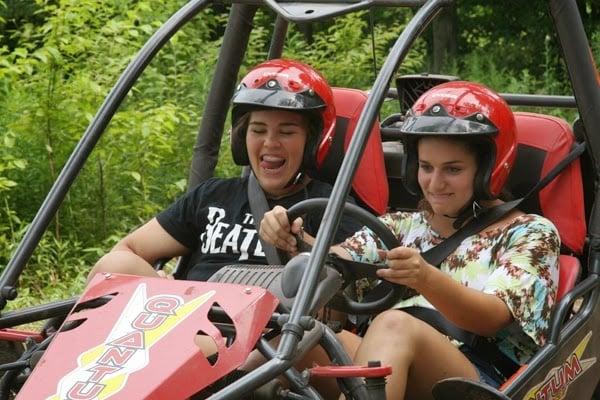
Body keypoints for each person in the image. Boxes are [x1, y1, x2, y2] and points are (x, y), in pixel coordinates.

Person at [259, 81, 560, 399]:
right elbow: (337, 259)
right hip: (383, 362)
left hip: (479, 380)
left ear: (489, 170)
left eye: (453, 169)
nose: (435, 182)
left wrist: (426, 278)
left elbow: (493, 318)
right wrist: (295, 240)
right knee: (285, 339)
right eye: (426, 167)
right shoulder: (399, 226)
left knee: (394, 325)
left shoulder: (530, 233)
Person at [87, 59, 360, 283]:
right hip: (188, 315)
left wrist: (298, 242)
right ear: (242, 138)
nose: (270, 142)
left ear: (313, 142)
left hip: (268, 333)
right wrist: (159, 286)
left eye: (287, 131)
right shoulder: (213, 195)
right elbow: (128, 249)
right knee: (113, 263)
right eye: (258, 130)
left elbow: (357, 274)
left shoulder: (332, 205)